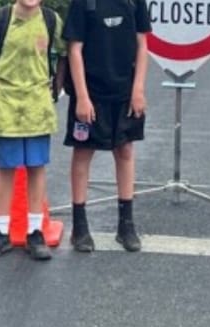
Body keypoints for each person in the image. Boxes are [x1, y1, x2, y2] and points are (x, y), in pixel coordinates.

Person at [0, 0, 65, 261]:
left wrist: (58, 85)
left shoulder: (51, 20)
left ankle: (35, 231)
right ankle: (1, 232)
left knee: (36, 166)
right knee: (6, 168)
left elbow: (66, 50)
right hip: (5, 105)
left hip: (37, 106)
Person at [62, 0, 152, 253]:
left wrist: (138, 88)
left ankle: (126, 225)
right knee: (83, 152)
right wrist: (81, 96)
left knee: (125, 152)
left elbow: (142, 44)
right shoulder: (84, 3)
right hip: (91, 93)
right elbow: (74, 49)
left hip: (125, 91)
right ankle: (80, 226)